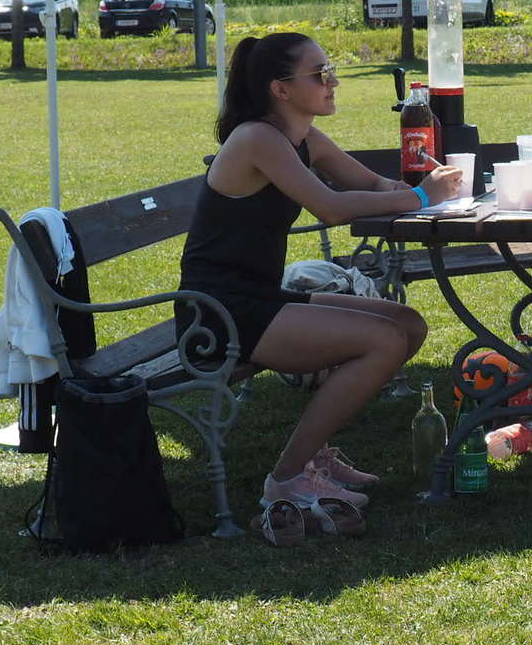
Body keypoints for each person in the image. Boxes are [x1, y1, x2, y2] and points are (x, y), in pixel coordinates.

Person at [177, 32, 462, 517]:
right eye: (320, 74)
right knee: (383, 341)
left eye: (331, 71)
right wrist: (419, 197)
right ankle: (287, 479)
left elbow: (372, 183)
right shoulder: (257, 139)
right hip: (219, 314)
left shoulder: (303, 138)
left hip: (260, 297)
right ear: (281, 89)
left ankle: (314, 456)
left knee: (407, 324)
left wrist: (417, 184)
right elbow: (329, 207)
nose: (333, 83)